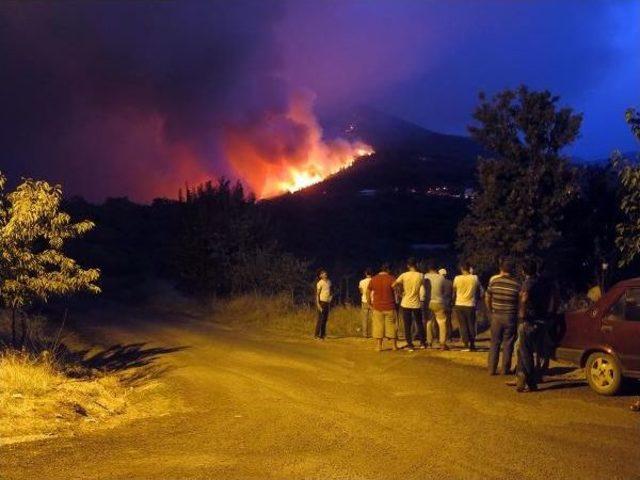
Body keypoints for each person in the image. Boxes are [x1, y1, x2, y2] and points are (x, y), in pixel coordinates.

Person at [515, 260, 555, 392]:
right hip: (542, 320)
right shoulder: (543, 283)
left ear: (524, 271)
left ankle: (531, 382)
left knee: (525, 352)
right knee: (536, 351)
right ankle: (522, 380)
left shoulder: (527, 284)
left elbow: (524, 300)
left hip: (529, 321)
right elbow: (553, 299)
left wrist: (521, 316)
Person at [486, 258, 521, 375]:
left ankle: (491, 369)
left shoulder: (494, 282)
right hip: (510, 316)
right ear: (512, 270)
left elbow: (487, 297)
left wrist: (490, 310)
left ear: (501, 268)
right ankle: (505, 369)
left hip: (496, 315)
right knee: (508, 342)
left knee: (494, 342)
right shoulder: (517, 284)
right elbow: (520, 301)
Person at [393, 258, 427, 351]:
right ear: (416, 265)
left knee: (407, 325)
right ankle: (423, 343)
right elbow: (424, 287)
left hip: (406, 302)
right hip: (416, 303)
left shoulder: (404, 275)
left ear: (408, 265)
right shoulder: (421, 275)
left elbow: (393, 285)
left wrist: (400, 294)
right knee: (419, 323)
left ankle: (410, 344)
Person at [367, 263, 399, 352]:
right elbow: (396, 291)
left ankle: (379, 346)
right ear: (388, 270)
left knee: (378, 326)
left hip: (377, 306)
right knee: (392, 326)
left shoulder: (373, 279)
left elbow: (367, 291)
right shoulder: (392, 278)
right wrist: (397, 303)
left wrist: (369, 303)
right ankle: (394, 346)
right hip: (390, 305)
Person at [452, 262, 482, 351]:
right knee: (471, 324)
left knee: (463, 325)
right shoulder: (475, 278)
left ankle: (466, 344)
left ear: (461, 269)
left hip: (459, 304)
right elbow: (479, 290)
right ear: (469, 268)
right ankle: (472, 344)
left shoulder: (457, 278)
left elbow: (454, 291)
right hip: (470, 304)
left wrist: (453, 302)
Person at [425, 260, 449, 350]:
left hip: (428, 302)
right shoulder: (441, 278)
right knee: (442, 322)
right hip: (439, 302)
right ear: (437, 268)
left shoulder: (425, 276)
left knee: (429, 322)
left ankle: (429, 343)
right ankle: (442, 343)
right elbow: (443, 290)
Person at [315, 270, 332, 340]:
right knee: (320, 319)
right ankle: (316, 335)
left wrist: (331, 297)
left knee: (325, 319)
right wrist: (318, 304)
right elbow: (317, 294)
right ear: (320, 276)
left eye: (325, 273)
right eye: (323, 274)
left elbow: (330, 291)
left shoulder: (329, 282)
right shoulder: (319, 283)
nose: (325, 274)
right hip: (321, 302)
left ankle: (323, 335)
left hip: (327, 302)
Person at [439, 268, 454, 341]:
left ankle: (440, 337)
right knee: (448, 321)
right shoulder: (450, 282)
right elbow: (453, 293)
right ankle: (450, 336)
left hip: (441, 304)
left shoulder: (439, 283)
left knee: (440, 322)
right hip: (448, 303)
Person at [358, 268, 373, 338]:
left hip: (364, 300)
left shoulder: (361, 282)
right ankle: (374, 334)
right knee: (374, 319)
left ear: (365, 273)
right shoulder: (374, 280)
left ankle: (365, 334)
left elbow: (361, 291)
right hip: (373, 301)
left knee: (365, 318)